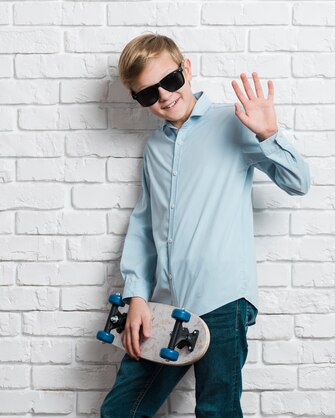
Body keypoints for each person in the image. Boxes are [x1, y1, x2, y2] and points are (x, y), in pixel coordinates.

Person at [100, 32, 311, 417]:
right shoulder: (155, 149)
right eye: (148, 94)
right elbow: (146, 227)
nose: (163, 96)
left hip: (222, 300)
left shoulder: (233, 121)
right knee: (121, 411)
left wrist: (268, 134)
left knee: (217, 412)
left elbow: (298, 182)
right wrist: (136, 296)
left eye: (170, 81)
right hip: (162, 307)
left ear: (187, 69)